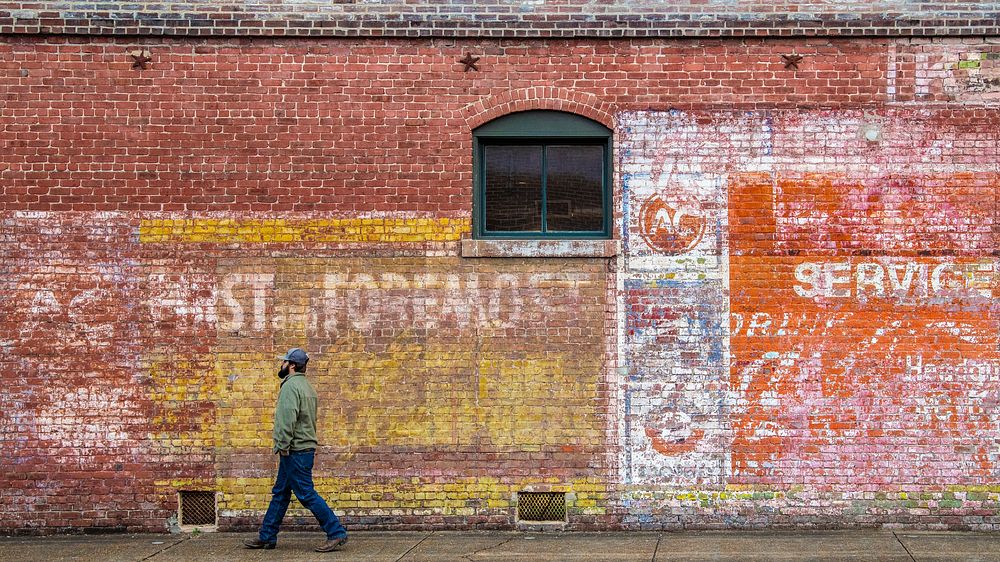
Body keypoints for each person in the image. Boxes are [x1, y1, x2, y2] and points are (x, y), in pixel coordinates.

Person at [243, 348, 348, 552]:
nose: (281, 365)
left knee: (306, 494)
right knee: (281, 493)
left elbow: (287, 419)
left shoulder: (290, 387)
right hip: (303, 448)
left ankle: (336, 532)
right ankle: (267, 536)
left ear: (291, 365)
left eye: (283, 362)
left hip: (294, 450)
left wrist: (282, 445)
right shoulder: (307, 387)